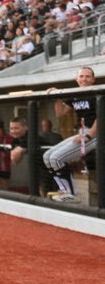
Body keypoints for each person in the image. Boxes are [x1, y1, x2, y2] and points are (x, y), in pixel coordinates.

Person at [43, 66, 99, 202]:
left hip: (96, 133)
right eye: (81, 76)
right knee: (47, 156)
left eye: (87, 76)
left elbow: (101, 117)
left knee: (56, 158)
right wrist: (57, 98)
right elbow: (60, 113)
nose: (84, 79)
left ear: (93, 79)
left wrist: (88, 136)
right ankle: (65, 190)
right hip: (83, 132)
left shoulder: (98, 93)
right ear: (76, 79)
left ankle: (71, 193)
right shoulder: (75, 94)